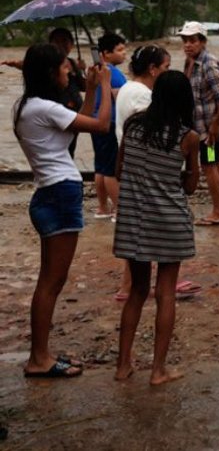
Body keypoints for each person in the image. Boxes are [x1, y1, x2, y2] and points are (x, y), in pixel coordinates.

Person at [12, 43, 112, 379]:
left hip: (49, 192)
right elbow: (100, 125)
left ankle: (42, 354)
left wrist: (94, 88)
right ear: (49, 72)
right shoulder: (44, 108)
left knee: (49, 282)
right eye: (64, 68)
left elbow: (77, 124)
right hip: (58, 193)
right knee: (51, 283)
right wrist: (108, 87)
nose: (69, 72)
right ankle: (38, 358)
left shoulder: (27, 106)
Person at [113, 71, 200, 385]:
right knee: (165, 293)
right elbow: (191, 185)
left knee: (137, 290)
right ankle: (158, 370)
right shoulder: (187, 136)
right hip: (170, 220)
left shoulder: (133, 125)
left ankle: (123, 366)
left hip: (134, 219)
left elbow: (120, 169)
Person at [112, 45, 202, 302]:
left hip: (143, 162)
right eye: (164, 66)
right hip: (182, 150)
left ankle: (129, 287)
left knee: (213, 163)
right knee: (212, 164)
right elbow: (190, 183)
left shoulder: (130, 93)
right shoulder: (149, 104)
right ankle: (131, 287)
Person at [178, 22, 219, 225]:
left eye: (192, 41)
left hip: (211, 130)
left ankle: (218, 211)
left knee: (208, 165)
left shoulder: (209, 64)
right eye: (185, 41)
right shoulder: (190, 62)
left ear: (202, 42)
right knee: (214, 163)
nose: (188, 45)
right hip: (201, 126)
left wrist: (216, 125)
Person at [4, 28, 86, 156]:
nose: (61, 45)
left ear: (72, 44)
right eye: (56, 41)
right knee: (61, 148)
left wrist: (87, 75)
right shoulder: (48, 65)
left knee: (70, 148)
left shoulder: (74, 63)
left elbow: (82, 86)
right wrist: (16, 64)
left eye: (65, 41)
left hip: (75, 108)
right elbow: (32, 67)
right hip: (60, 110)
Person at [90, 32, 128, 219]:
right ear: (106, 53)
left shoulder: (98, 70)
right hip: (110, 122)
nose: (124, 53)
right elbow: (120, 98)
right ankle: (120, 209)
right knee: (111, 169)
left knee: (101, 166)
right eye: (120, 50)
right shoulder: (113, 73)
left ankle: (103, 207)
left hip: (96, 122)